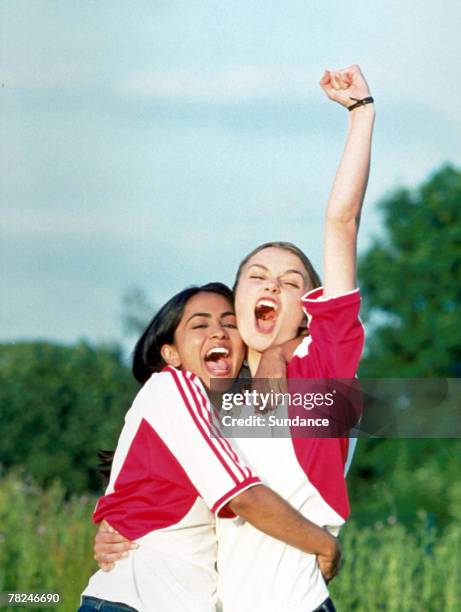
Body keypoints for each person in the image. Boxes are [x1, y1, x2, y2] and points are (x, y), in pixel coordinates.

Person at [93, 64, 375, 611]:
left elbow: (341, 222)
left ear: (309, 311)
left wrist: (361, 114)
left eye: (291, 282)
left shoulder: (324, 369)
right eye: (257, 276)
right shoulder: (216, 402)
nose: (273, 283)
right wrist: (115, 531)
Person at [79, 282, 341, 612]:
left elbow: (318, 342)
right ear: (171, 353)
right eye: (199, 325)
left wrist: (278, 351)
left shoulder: (226, 417)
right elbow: (245, 498)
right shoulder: (173, 386)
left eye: (230, 324)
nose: (217, 333)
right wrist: (325, 545)